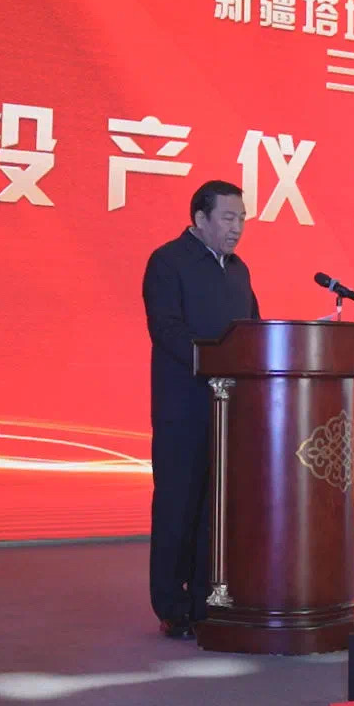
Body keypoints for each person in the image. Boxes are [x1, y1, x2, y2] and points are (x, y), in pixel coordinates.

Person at [141, 180, 260, 639]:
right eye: (228, 218)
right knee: (179, 503)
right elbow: (166, 329)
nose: (237, 228)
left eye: (242, 219)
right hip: (183, 406)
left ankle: (209, 600)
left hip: (229, 409)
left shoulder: (239, 271)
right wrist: (214, 361)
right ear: (200, 219)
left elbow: (253, 331)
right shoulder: (167, 261)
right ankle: (172, 605)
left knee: (217, 509)